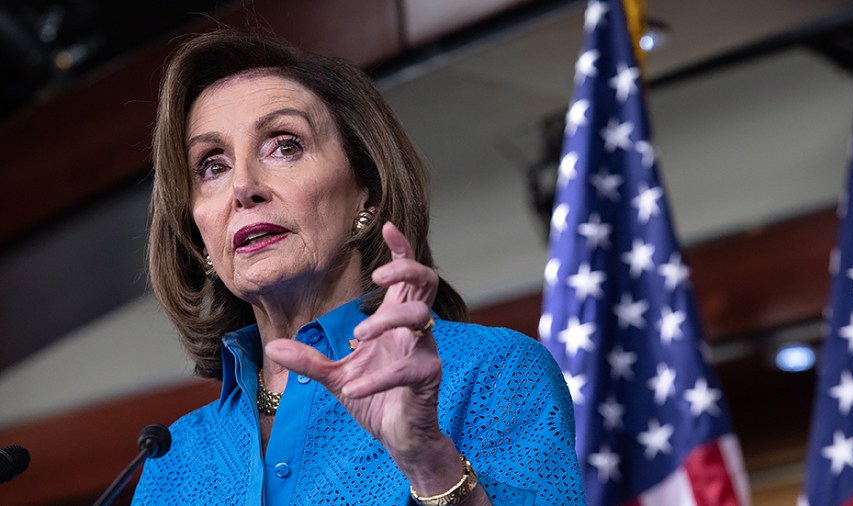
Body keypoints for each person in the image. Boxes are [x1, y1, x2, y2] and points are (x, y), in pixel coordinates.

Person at [132, 30, 585, 506]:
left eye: (285, 146)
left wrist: (429, 461)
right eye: (212, 165)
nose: (244, 187)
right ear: (197, 230)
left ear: (365, 191)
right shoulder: (172, 461)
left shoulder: (492, 373)